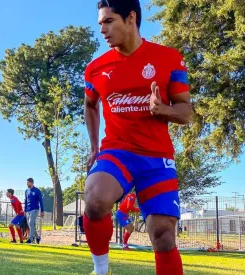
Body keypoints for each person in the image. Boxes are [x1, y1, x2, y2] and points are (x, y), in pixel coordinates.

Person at [83, 0, 192, 274]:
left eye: (109, 21)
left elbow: (186, 111)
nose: (103, 30)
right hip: (116, 152)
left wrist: (163, 109)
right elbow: (90, 105)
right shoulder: (95, 69)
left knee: (164, 236)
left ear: (131, 18)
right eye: (100, 24)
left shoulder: (169, 58)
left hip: (157, 159)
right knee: (95, 199)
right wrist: (94, 147)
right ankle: (100, 269)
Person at [24, 178, 44, 244]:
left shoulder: (37, 191)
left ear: (31, 182)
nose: (27, 184)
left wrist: (42, 211)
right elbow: (26, 201)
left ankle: (30, 239)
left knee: (31, 223)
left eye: (28, 182)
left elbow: (41, 201)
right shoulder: (26, 191)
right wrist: (25, 210)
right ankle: (37, 237)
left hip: (35, 209)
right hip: (28, 210)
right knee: (31, 225)